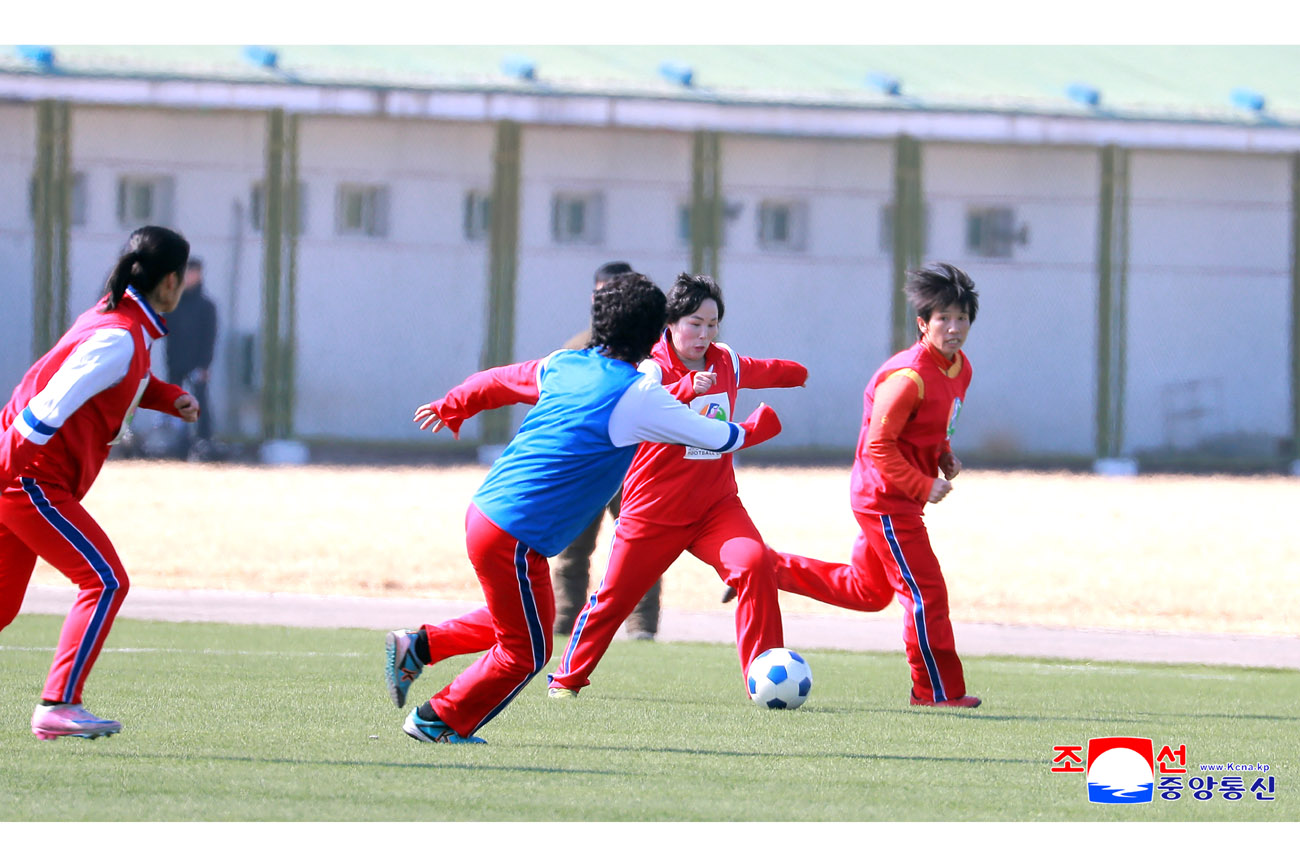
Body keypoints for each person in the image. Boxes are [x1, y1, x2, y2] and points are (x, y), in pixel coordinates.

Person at [384, 272, 783, 744]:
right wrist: (762, 423)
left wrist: (455, 403)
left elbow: (498, 381)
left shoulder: (564, 364)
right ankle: (437, 721)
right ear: (656, 332)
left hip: (490, 512)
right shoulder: (639, 396)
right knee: (526, 653)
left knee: (523, 618)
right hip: (514, 533)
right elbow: (723, 437)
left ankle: (421, 646)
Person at [547, 273, 809, 700]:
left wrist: (796, 374)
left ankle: (763, 680)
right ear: (670, 324)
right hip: (653, 510)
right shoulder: (650, 364)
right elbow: (644, 399)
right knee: (612, 600)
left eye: (712, 324)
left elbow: (763, 369)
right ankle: (566, 680)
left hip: (715, 509)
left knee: (755, 563)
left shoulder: (726, 361)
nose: (704, 334)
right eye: (694, 323)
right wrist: (686, 388)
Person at [0, 225, 200, 740]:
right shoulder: (119, 336)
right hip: (29, 478)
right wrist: (8, 467)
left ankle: (60, 703)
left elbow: (118, 379)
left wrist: (166, 396)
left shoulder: (117, 321)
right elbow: (46, 407)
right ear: (173, 281)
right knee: (105, 580)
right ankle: (58, 704)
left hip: (22, 476)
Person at [755, 262, 983, 708]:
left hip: (898, 496)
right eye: (944, 319)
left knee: (869, 591)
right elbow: (878, 447)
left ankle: (763, 568)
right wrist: (922, 485)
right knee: (925, 591)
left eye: (962, 319)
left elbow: (931, 427)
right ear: (923, 324)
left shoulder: (959, 368)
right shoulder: (908, 377)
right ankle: (934, 692)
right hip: (886, 499)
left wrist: (943, 457)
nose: (954, 328)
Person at [553, 261, 661, 641]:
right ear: (594, 297)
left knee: (639, 546)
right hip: (584, 467)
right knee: (571, 549)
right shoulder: (576, 349)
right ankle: (563, 624)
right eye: (603, 293)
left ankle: (641, 629)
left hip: (634, 466)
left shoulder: (652, 352)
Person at [163, 257, 217, 460]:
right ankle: (180, 444)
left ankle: (205, 443)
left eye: (193, 273)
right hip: (176, 363)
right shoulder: (173, 305)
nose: (189, 277)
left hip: (197, 364)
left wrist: (205, 364)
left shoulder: (206, 306)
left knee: (199, 401)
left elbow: (209, 337)